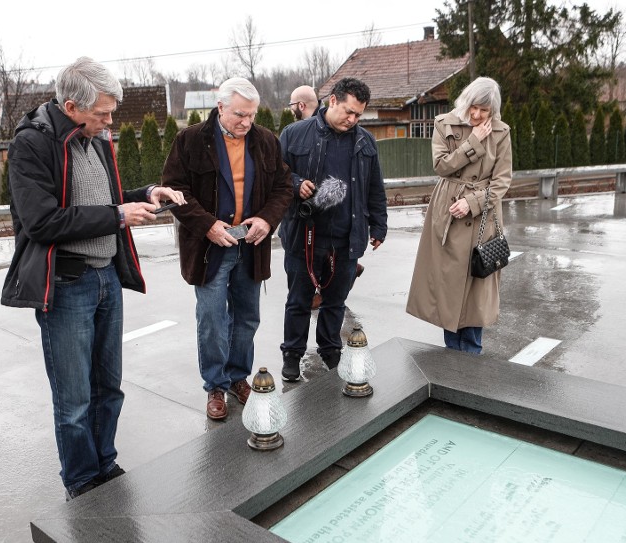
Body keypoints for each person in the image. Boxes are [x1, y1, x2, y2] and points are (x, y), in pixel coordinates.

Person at [0, 57, 186, 500]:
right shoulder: (32, 145)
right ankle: (82, 481)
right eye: (102, 113)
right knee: (74, 399)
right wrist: (118, 215)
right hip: (67, 285)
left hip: (105, 278)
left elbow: (105, 200)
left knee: (108, 388)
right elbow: (42, 221)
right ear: (70, 106)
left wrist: (144, 196)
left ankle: (105, 463)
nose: (109, 121)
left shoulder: (94, 138)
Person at [161, 77, 292, 420]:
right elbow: (173, 191)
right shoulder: (190, 141)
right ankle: (215, 386)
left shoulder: (265, 141)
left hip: (250, 245)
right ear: (219, 108)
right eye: (239, 115)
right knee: (212, 320)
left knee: (247, 317)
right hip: (210, 248)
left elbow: (283, 187)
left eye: (251, 115)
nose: (247, 123)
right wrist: (207, 225)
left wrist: (266, 219)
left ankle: (238, 377)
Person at [278, 77, 388, 381]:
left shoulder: (365, 141)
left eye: (358, 116)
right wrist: (297, 184)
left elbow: (374, 187)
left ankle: (330, 350)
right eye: (348, 112)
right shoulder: (294, 134)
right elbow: (275, 174)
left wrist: (379, 224)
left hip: (347, 237)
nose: (352, 120)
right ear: (333, 100)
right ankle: (292, 354)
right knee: (299, 301)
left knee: (335, 302)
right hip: (304, 234)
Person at [406, 77, 512, 355]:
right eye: (474, 107)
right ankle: (452, 358)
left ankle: (472, 359)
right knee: (449, 287)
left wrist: (473, 202)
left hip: (483, 217)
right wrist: (473, 142)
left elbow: (502, 181)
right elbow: (441, 166)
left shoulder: (501, 133)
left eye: (484, 111)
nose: (477, 115)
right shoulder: (445, 124)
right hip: (448, 214)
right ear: (466, 101)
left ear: (493, 111)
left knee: (476, 289)